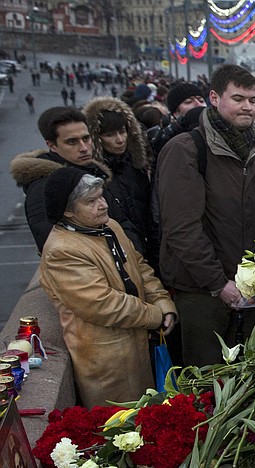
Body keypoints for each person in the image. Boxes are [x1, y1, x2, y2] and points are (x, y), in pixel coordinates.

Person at [157, 64, 255, 367]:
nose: (247, 107)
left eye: (252, 100)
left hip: (253, 288)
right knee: (206, 380)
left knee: (253, 378)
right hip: (203, 293)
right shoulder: (186, 149)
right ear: (214, 97)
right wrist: (218, 283)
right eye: (238, 98)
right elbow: (181, 229)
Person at [39, 167, 177, 407]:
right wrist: (155, 315)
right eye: (91, 201)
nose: (103, 205)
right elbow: (103, 304)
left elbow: (140, 268)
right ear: (68, 211)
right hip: (108, 363)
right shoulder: (61, 250)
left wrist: (163, 302)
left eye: (101, 196)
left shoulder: (109, 226)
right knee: (121, 430)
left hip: (137, 346)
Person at [10, 106, 138, 253]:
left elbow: (122, 223)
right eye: (72, 142)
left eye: (86, 138)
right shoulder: (44, 187)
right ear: (52, 146)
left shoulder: (92, 171)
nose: (83, 147)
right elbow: (56, 250)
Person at [83, 97, 154, 262]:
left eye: (122, 131)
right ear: (96, 138)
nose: (120, 140)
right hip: (120, 256)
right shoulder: (91, 174)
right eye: (110, 134)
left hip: (149, 248)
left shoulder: (137, 165)